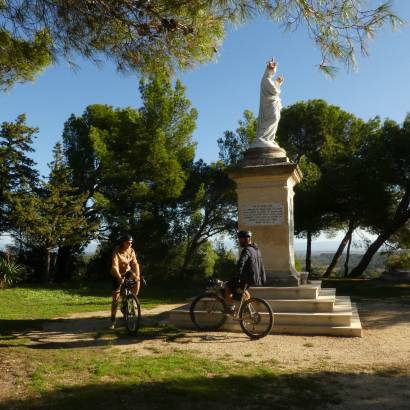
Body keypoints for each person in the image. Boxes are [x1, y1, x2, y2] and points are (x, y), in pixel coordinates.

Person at [224, 230, 266, 307]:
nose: (239, 241)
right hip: (253, 278)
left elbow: (241, 263)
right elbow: (261, 265)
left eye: (240, 239)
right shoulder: (256, 249)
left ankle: (231, 306)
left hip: (246, 277)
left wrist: (237, 275)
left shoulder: (247, 250)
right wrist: (262, 278)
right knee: (243, 290)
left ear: (246, 239)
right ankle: (246, 306)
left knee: (227, 286)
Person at [109, 234, 140, 329]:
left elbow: (135, 264)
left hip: (127, 271)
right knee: (116, 298)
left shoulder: (131, 250)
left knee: (137, 280)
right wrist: (119, 277)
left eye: (131, 243)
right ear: (123, 242)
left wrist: (137, 275)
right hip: (117, 273)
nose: (130, 244)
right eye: (128, 243)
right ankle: (113, 320)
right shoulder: (117, 251)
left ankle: (132, 299)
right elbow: (114, 266)